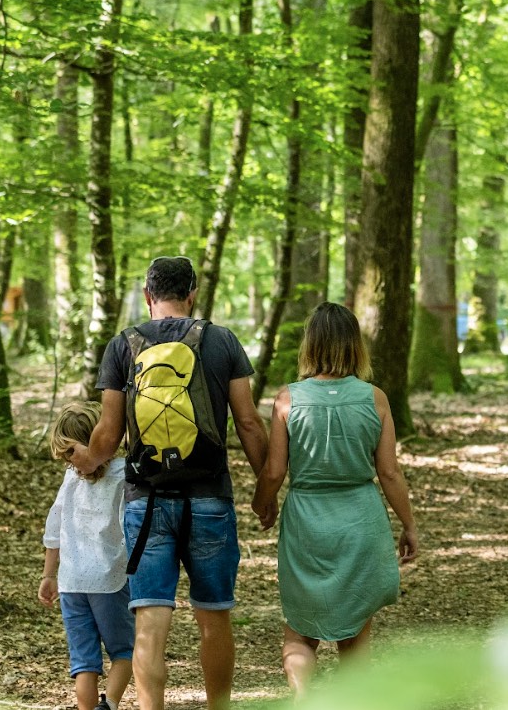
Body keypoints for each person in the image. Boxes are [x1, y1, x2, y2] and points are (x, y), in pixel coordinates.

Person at [67, 255, 269, 710]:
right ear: (192, 293)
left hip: (146, 501)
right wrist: (266, 488)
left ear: (147, 295)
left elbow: (108, 433)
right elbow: (250, 424)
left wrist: (86, 461)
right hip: (211, 498)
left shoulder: (123, 345)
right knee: (214, 620)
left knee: (149, 623)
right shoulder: (222, 341)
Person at [252, 301, 420, 696]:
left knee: (300, 633)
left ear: (310, 345)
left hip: (307, 520)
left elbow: (275, 471)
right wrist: (409, 524)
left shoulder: (287, 399)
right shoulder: (374, 398)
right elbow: (390, 472)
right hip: (360, 518)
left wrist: (263, 503)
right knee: (356, 636)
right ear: (355, 346)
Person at [41, 401, 134, 710]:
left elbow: (54, 529)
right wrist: (49, 575)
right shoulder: (121, 475)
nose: (71, 462)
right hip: (106, 580)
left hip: (77, 581)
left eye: (72, 451)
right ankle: (110, 705)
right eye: (65, 456)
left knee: (87, 659)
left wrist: (50, 574)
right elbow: (129, 528)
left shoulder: (111, 476)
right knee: (123, 652)